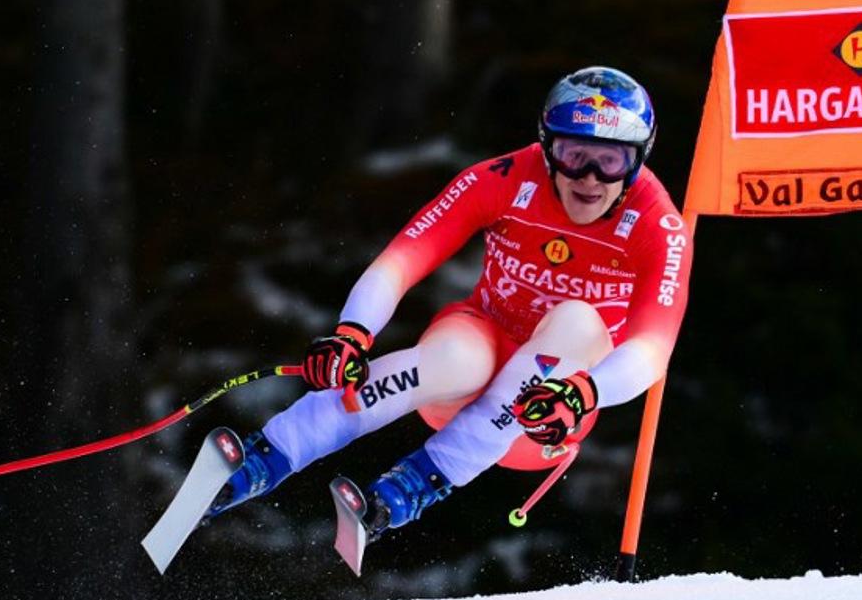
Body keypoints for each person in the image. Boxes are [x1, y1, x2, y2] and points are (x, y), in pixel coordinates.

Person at [208, 66, 694, 541]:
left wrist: (583, 393)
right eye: (573, 155)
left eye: (610, 162)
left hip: (544, 413)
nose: (589, 178)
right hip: (467, 363)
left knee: (579, 321)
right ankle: (268, 455)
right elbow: (402, 259)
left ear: (639, 159)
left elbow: (654, 348)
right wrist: (351, 333)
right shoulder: (505, 178)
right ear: (547, 148)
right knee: (456, 356)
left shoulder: (658, 224)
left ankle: (415, 485)